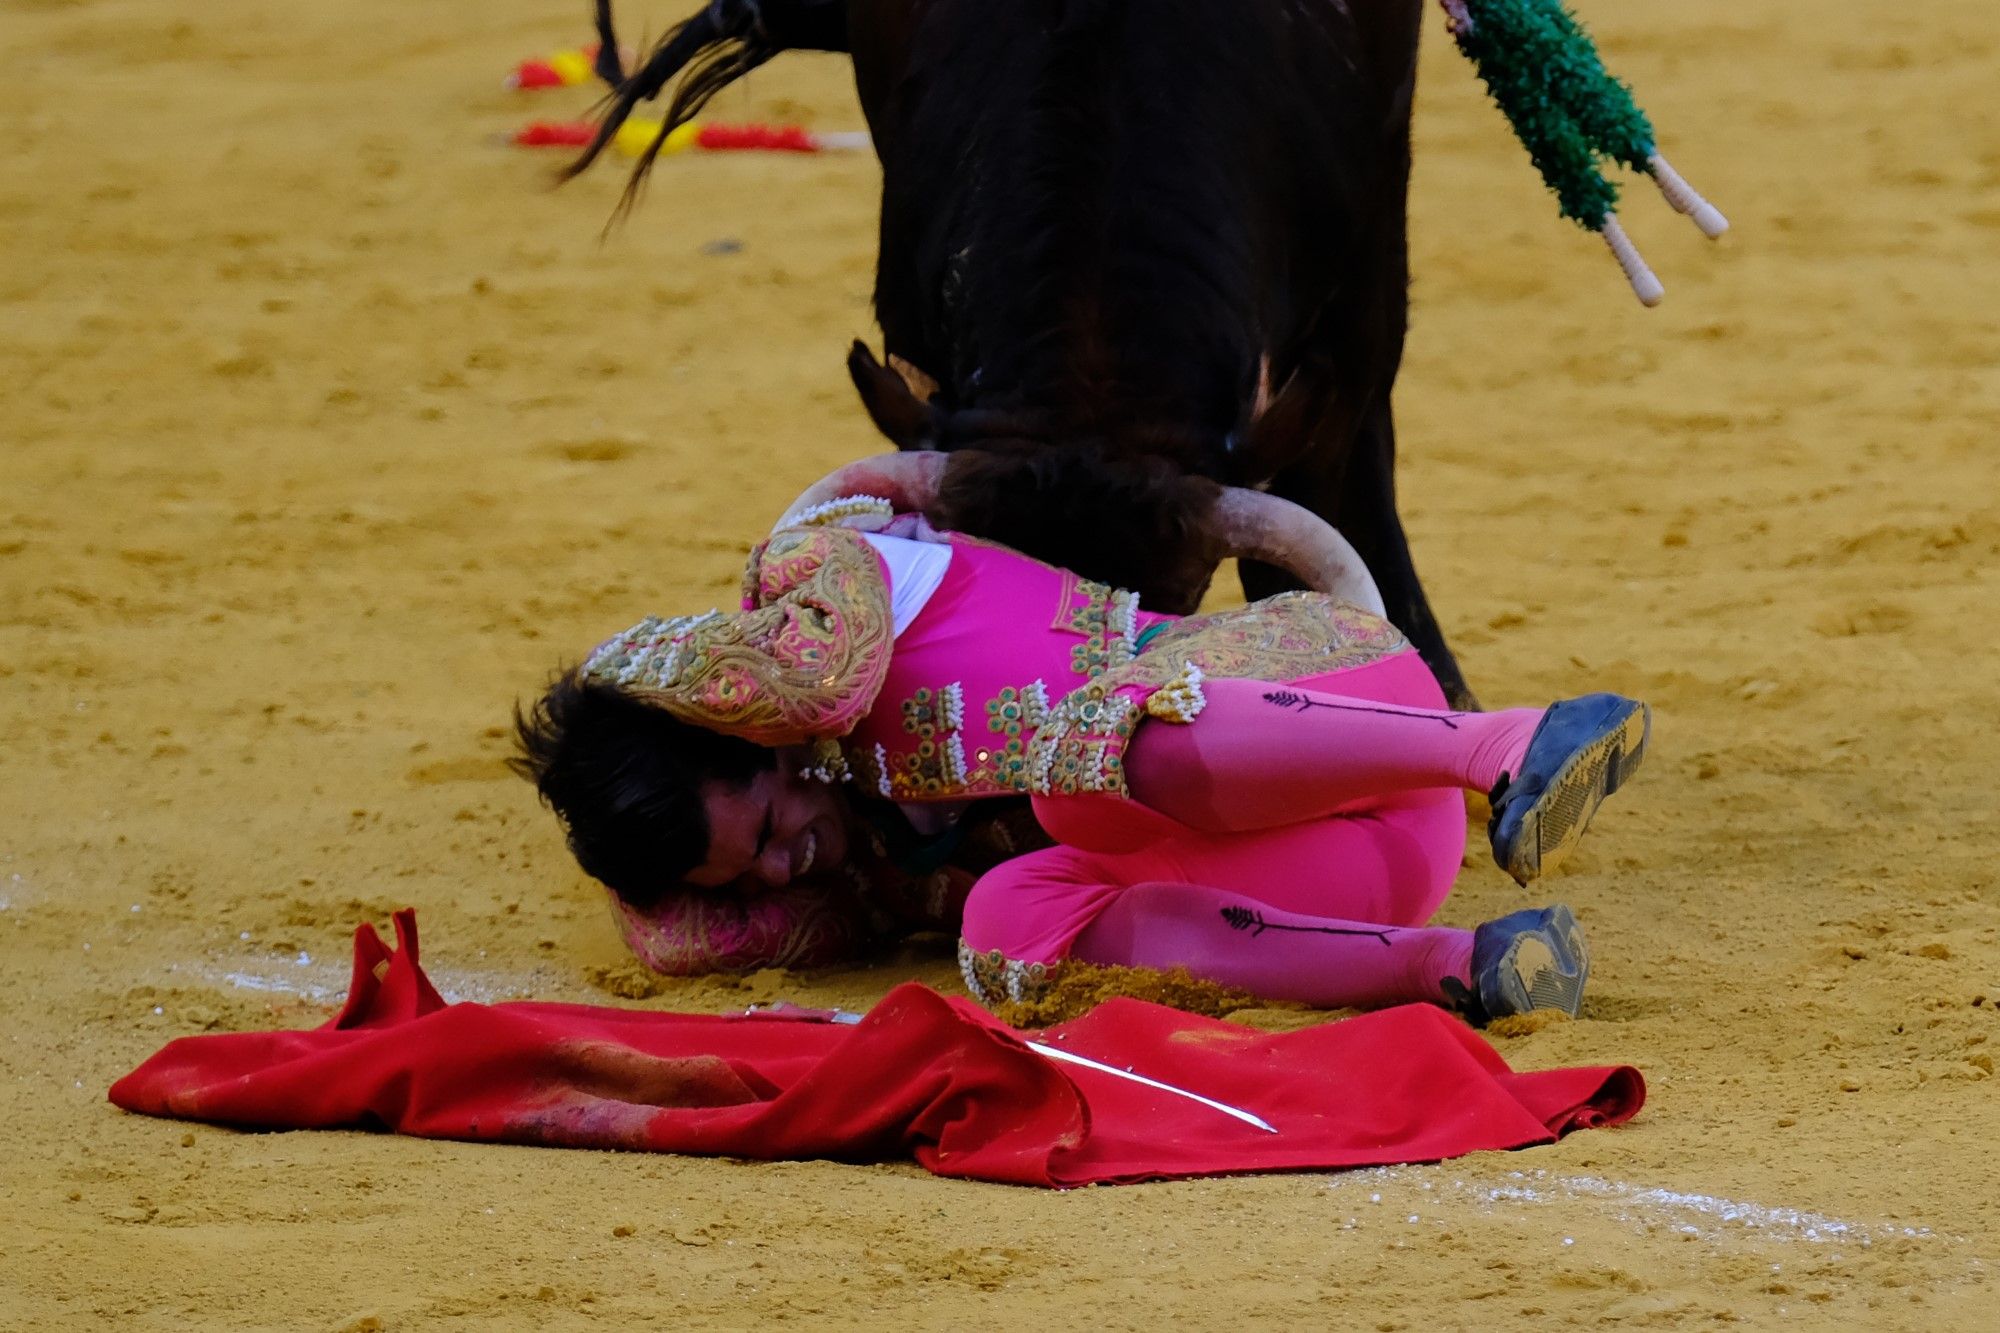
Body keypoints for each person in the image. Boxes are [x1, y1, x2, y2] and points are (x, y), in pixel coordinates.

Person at [513, 453, 1649, 1024]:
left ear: (741, 725)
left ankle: (1505, 745)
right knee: (1007, 935)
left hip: (1334, 693)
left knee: (1067, 777)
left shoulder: (812, 577)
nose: (784, 863)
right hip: (1347, 873)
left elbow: (820, 676)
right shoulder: (862, 837)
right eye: (752, 869)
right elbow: (674, 942)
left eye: (766, 823)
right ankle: (1458, 966)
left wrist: (656, 677)